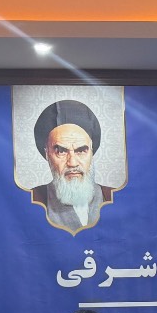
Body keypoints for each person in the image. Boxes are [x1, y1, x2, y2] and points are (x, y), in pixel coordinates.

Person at [29, 99, 115, 234]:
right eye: (61, 151)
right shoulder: (32, 200)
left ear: (91, 152)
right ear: (47, 154)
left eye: (81, 150)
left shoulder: (114, 196)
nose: (73, 163)